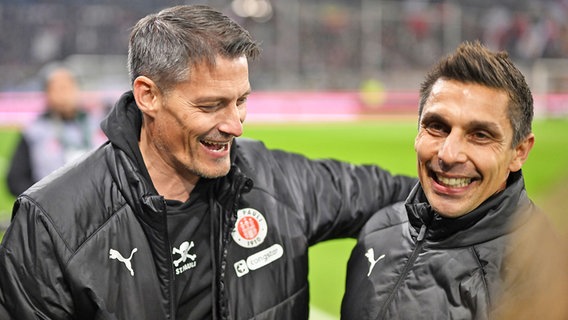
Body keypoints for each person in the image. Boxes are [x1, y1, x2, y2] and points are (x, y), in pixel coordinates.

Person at [0, 5, 416, 320]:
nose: (234, 125)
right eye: (211, 105)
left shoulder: (279, 180)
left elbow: (406, 196)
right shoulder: (51, 221)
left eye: (241, 101)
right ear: (148, 96)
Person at [341, 41, 564, 319]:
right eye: (436, 126)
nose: (448, 154)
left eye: (480, 135)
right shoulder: (378, 231)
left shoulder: (543, 284)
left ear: (519, 151)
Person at [6, 65, 107, 196]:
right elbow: (16, 180)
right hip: (53, 208)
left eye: (67, 88)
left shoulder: (98, 124)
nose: (63, 95)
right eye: (56, 89)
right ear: (47, 94)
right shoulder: (34, 131)